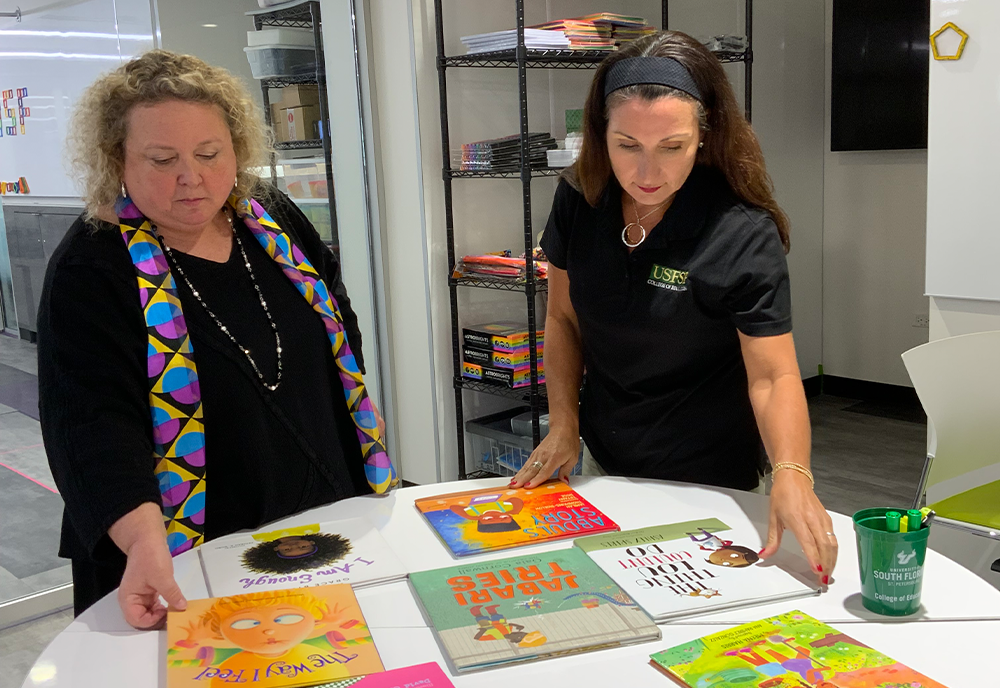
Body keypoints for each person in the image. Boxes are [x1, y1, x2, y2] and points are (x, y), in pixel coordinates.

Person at [38, 50, 396, 627]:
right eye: (162, 159)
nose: (192, 176)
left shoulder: (273, 220)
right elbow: (89, 424)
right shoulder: (91, 266)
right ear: (116, 159)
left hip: (316, 519)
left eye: (209, 153)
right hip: (176, 553)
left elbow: (339, 336)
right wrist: (143, 540)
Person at [510, 32, 837, 585]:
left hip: (714, 478)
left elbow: (773, 374)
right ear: (600, 135)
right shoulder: (581, 198)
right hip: (605, 463)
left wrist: (793, 472)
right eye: (627, 145)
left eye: (671, 147)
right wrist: (564, 422)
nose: (647, 173)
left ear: (704, 136)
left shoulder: (740, 231)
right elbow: (563, 319)